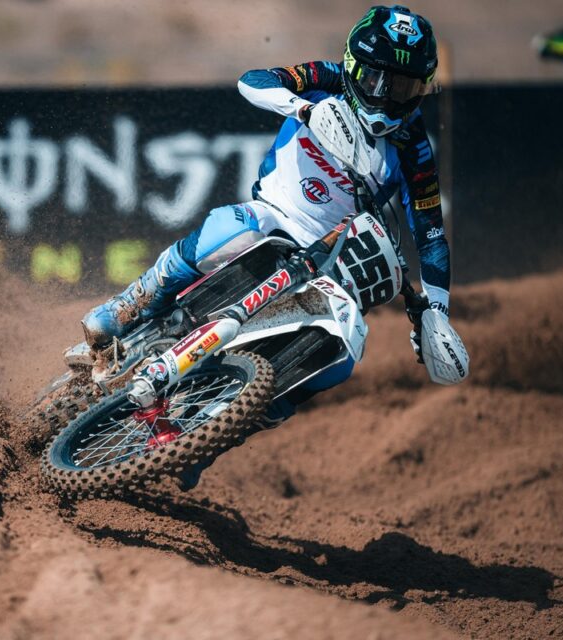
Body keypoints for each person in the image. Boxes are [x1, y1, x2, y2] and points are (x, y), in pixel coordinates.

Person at [83, 5, 459, 424]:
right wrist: (304, 109)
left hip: (333, 262)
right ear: (354, 67)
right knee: (229, 232)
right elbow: (254, 80)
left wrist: (437, 312)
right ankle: (131, 304)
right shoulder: (328, 78)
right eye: (377, 80)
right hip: (274, 216)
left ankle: (234, 424)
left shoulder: (413, 146)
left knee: (340, 357)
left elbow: (430, 236)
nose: (388, 97)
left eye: (404, 88)